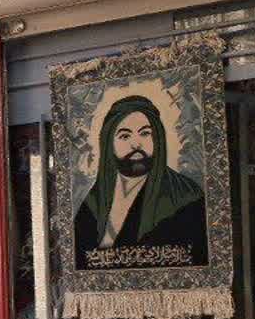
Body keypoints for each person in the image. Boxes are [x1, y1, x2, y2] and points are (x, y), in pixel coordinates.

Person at [73, 93, 207, 270]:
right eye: (125, 136)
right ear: (109, 144)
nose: (136, 144)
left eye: (145, 133)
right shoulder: (93, 202)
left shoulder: (186, 196)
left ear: (157, 138)